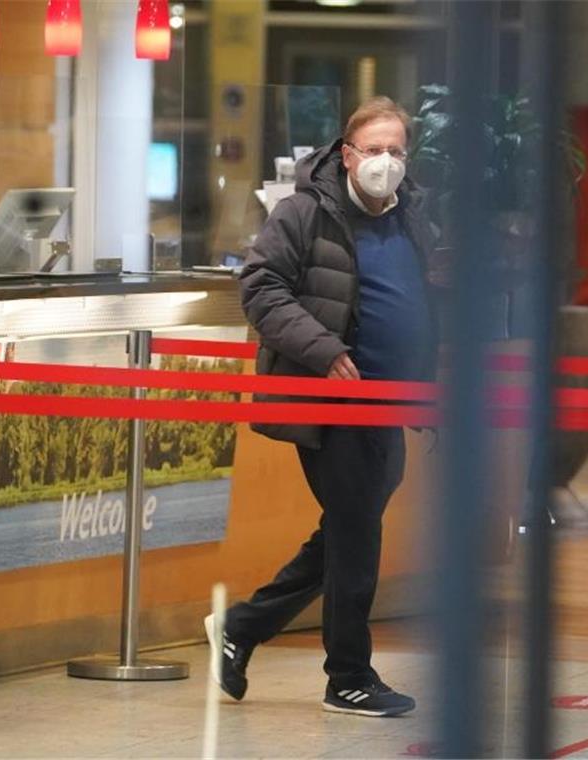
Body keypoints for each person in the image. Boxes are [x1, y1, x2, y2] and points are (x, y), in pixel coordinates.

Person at [205, 96, 439, 717]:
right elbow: (259, 287)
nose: (384, 163)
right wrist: (324, 349)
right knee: (357, 536)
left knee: (346, 529)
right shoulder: (304, 212)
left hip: (390, 402)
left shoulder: (411, 216)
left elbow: (422, 301)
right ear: (346, 153)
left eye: (396, 151)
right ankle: (348, 677)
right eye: (373, 150)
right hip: (333, 402)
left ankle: (243, 626)